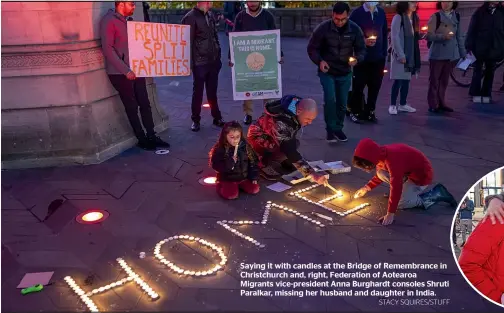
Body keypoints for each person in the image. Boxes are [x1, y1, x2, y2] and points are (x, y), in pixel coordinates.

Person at [100, 1, 170, 151]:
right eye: (131, 4)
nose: (134, 7)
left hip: (137, 69)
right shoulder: (109, 21)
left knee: (145, 103)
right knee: (132, 106)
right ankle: (142, 139)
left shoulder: (129, 21)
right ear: (121, 4)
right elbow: (107, 49)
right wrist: (126, 70)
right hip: (120, 73)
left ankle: (152, 135)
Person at [352, 138, 457, 226]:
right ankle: (406, 189)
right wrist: (366, 188)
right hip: (407, 173)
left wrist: (390, 213)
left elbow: (396, 186)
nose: (365, 170)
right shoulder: (380, 153)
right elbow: (384, 176)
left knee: (402, 203)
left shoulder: (393, 162)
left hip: (420, 178)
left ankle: (437, 194)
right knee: (380, 173)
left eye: (365, 167)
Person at [307, 2, 366, 143]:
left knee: (342, 102)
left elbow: (362, 49)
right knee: (330, 99)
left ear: (348, 16)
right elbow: (312, 48)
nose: (339, 22)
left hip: (345, 71)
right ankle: (330, 129)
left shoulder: (355, 29)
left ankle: (338, 128)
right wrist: (320, 61)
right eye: (336, 19)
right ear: (332, 15)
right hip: (327, 71)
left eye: (343, 19)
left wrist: (357, 59)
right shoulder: (323, 28)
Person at [247, 95, 328, 185]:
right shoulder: (281, 123)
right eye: (308, 119)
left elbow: (290, 141)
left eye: (312, 119)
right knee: (288, 147)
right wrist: (311, 173)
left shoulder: (296, 104)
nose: (310, 123)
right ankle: (261, 164)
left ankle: (283, 160)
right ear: (298, 111)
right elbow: (289, 149)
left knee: (295, 143)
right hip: (257, 140)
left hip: (273, 137)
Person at [229, 1, 284, 125]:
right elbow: (234, 37)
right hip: (246, 56)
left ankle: (267, 113)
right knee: (248, 84)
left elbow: (274, 36)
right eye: (250, 1)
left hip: (265, 56)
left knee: (266, 85)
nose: (252, 3)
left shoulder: (267, 16)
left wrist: (279, 54)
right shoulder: (241, 16)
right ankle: (248, 114)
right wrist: (231, 57)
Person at [182, 1, 226, 132]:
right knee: (198, 92)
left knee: (212, 91)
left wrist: (218, 56)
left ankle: (216, 117)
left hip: (213, 61)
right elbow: (186, 42)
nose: (211, 2)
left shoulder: (210, 15)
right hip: (199, 62)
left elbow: (214, 36)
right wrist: (189, 63)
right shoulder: (190, 17)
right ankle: (195, 120)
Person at [458, 193, 504, 305]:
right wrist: (498, 298)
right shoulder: (497, 217)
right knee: (465, 232)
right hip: (491, 299)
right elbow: (468, 266)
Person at [348, 1, 388, 123]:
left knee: (375, 86)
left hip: (378, 57)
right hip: (362, 57)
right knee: (359, 85)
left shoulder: (380, 12)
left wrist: (384, 53)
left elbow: (384, 33)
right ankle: (355, 111)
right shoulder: (357, 14)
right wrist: (363, 41)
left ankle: (370, 111)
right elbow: (350, 34)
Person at [426, 1, 466, 113]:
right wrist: (443, 36)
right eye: (444, 1)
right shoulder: (436, 16)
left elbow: (459, 36)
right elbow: (429, 35)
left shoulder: (456, 16)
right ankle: (433, 104)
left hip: (450, 54)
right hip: (437, 54)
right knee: (434, 80)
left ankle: (442, 102)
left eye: (449, 1)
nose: (446, 4)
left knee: (444, 80)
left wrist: (463, 53)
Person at [209, 121, 260, 200]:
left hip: (243, 177)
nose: (235, 140)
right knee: (231, 195)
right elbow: (216, 165)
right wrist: (230, 162)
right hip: (228, 178)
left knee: (255, 189)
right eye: (232, 137)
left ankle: (239, 186)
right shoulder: (220, 149)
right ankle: (221, 185)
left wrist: (253, 177)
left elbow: (253, 162)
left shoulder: (245, 146)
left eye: (238, 137)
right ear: (225, 136)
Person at [465, 2, 504, 104]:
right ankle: (475, 94)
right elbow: (472, 29)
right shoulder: (480, 12)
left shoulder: (501, 12)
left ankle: (486, 94)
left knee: (490, 72)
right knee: (477, 71)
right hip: (479, 46)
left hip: (494, 47)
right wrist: (469, 46)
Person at [388, 1, 421, 116]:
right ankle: (392, 105)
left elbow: (414, 35)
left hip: (410, 53)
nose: (414, 4)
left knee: (407, 79)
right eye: (411, 2)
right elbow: (395, 37)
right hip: (400, 53)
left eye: (415, 2)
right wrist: (401, 55)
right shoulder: (398, 17)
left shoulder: (415, 17)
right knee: (398, 80)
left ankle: (403, 104)